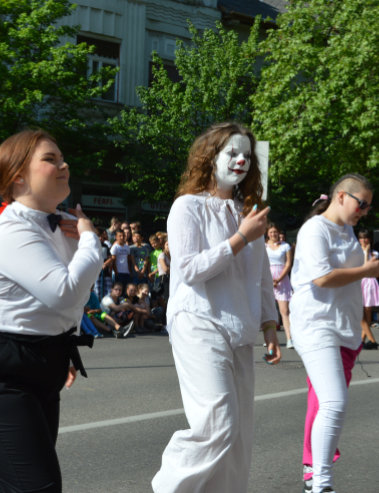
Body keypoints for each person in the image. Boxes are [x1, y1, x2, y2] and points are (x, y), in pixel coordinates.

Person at [0, 128, 104, 493]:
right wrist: (91, 238)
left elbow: (68, 303)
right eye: (50, 159)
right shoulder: (11, 230)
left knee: (11, 487)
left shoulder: (63, 225)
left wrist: (56, 350)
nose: (63, 164)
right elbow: (65, 293)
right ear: (18, 175)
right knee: (37, 487)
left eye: (61, 157)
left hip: (41, 363)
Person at [153, 123, 278, 493]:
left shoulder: (246, 211)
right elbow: (189, 269)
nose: (240, 160)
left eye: (246, 155)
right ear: (210, 157)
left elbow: (261, 275)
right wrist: (241, 237)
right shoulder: (186, 207)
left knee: (239, 434)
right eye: (232, 153)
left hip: (240, 326)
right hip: (198, 319)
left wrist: (270, 324)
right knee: (217, 424)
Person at [289, 174, 379, 493]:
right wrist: (365, 271)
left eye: (368, 206)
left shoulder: (348, 230)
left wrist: (368, 265)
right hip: (317, 326)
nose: (365, 211)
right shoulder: (315, 229)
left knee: (321, 402)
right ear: (342, 196)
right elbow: (322, 279)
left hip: (344, 330)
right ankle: (320, 483)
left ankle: (311, 473)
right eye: (362, 203)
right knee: (333, 402)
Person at [265, 222, 294, 348]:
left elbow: (288, 264)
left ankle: (289, 339)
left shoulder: (285, 246)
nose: (273, 234)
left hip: (282, 279)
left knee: (284, 310)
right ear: (267, 234)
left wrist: (278, 279)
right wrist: (270, 280)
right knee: (269, 311)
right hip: (267, 278)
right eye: (271, 232)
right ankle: (270, 339)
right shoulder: (264, 246)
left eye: (275, 232)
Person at [358, 229, 379, 350]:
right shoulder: (355, 251)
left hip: (368, 282)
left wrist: (367, 251)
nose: (363, 241)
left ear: (370, 239)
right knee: (360, 313)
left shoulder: (374, 254)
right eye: (361, 238)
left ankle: (363, 340)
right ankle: (369, 340)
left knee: (367, 311)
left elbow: (366, 268)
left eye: (365, 238)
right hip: (358, 282)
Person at [94, 227, 113, 300]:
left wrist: (104, 264)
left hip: (105, 273)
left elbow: (110, 258)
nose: (101, 238)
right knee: (98, 293)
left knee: (108, 293)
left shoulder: (105, 246)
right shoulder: (93, 246)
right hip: (96, 274)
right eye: (99, 236)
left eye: (102, 236)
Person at [157, 240, 171, 305]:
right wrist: (170, 268)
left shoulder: (171, 256)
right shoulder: (162, 255)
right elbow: (165, 269)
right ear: (164, 246)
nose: (169, 246)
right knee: (167, 298)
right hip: (164, 278)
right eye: (167, 244)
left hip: (171, 278)